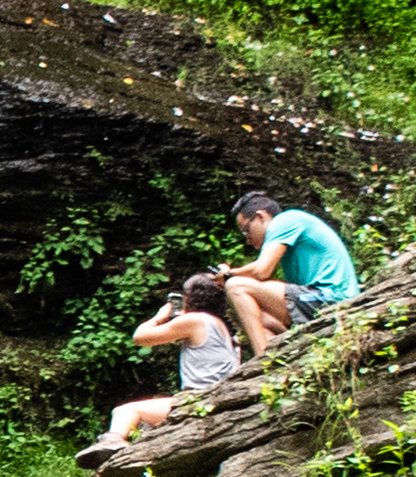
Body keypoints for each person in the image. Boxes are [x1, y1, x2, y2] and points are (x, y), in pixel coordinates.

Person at [105, 270, 248, 446]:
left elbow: (140, 338)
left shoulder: (195, 321)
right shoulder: (226, 329)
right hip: (219, 399)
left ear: (191, 297)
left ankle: (111, 445)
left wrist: (160, 317)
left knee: (125, 411)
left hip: (200, 399)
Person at [221, 185, 361, 356]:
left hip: (332, 298)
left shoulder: (285, 220)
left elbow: (261, 270)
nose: (248, 241)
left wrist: (229, 274)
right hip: (315, 300)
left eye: (246, 231)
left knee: (236, 287)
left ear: (260, 216)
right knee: (251, 310)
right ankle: (280, 357)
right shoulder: (288, 234)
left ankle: (261, 359)